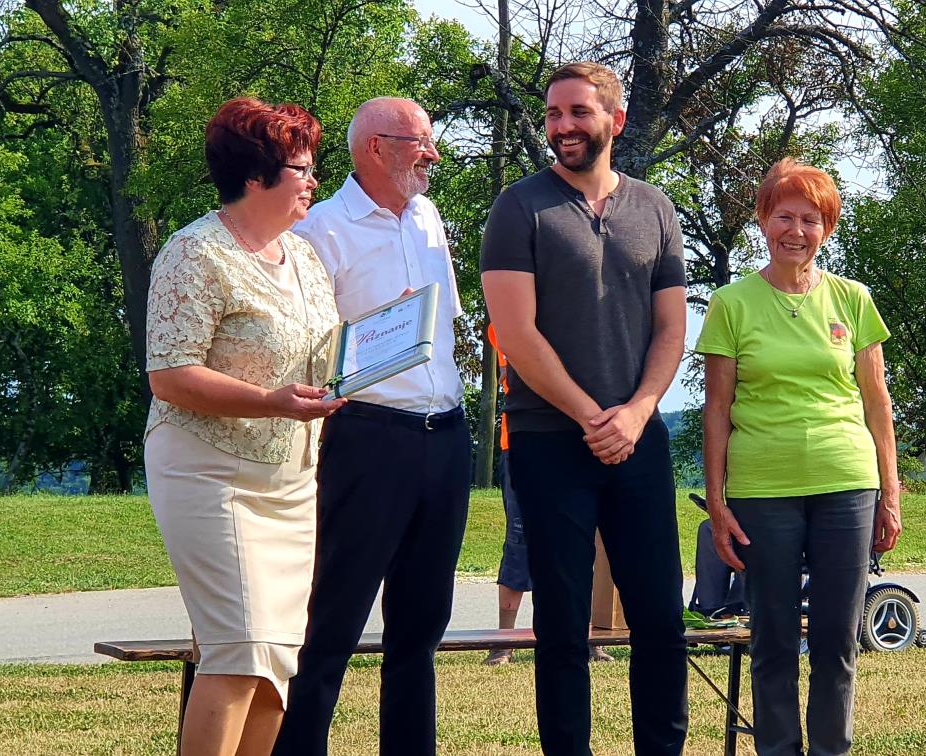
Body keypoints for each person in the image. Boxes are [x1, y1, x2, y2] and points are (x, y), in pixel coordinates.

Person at [481, 62, 689, 755]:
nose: (562, 125)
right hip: (547, 439)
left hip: (638, 439)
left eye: (578, 112)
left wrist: (636, 412)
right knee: (563, 627)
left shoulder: (655, 209)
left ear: (615, 121)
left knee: (660, 619)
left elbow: (671, 330)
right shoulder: (518, 207)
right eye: (553, 114)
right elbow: (516, 333)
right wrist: (588, 414)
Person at [143, 96, 345, 755]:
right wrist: (271, 401)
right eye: (302, 169)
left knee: (273, 666)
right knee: (239, 649)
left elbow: (321, 356)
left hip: (290, 484)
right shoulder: (194, 253)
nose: (313, 181)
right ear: (256, 176)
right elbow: (170, 374)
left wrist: (385, 341)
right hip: (209, 476)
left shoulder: (305, 258)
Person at [272, 97, 471, 756]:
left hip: (444, 435)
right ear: (375, 148)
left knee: (421, 628)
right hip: (366, 437)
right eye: (419, 142)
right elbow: (303, 349)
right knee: (332, 622)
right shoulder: (320, 230)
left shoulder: (429, 218)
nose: (433, 154)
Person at [696, 157, 902, 756]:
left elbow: (877, 402)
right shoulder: (731, 303)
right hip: (762, 489)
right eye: (784, 216)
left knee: (837, 642)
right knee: (774, 641)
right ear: (763, 220)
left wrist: (890, 493)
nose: (796, 230)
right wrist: (718, 502)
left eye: (811, 219)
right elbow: (716, 410)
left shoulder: (853, 299)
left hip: (847, 483)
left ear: (826, 229)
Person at [481, 324, 614, 667]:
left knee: (584, 542)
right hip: (527, 441)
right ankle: (503, 643)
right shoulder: (508, 320)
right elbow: (519, 372)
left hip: (584, 439)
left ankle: (587, 637)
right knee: (521, 539)